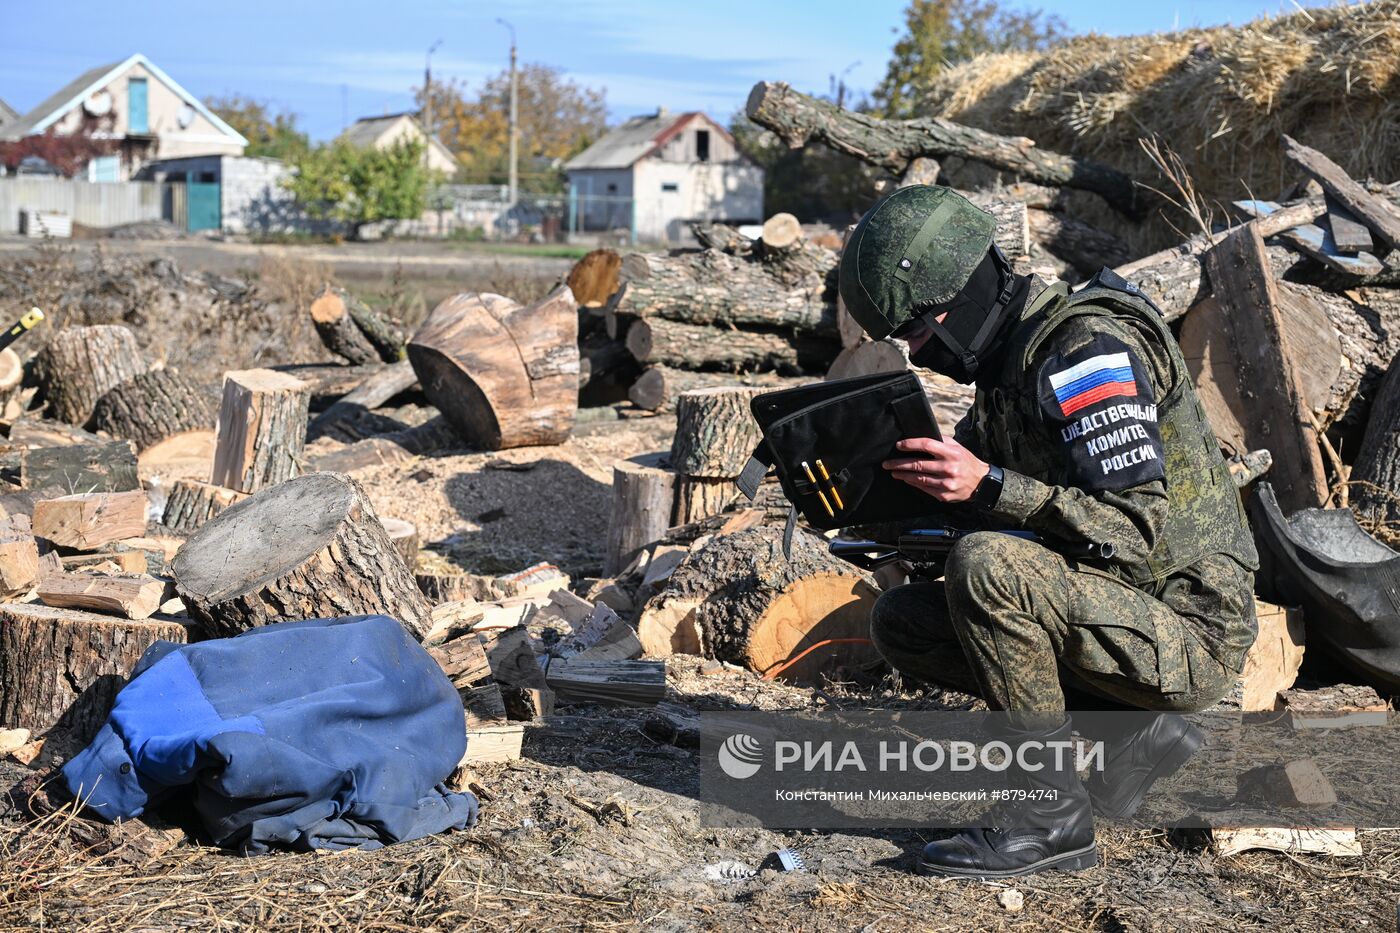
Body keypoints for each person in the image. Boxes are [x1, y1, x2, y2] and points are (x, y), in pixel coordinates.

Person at [837, 185, 1259, 878]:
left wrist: (991, 487)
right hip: (1120, 610)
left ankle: (1049, 817)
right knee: (905, 621)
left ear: (954, 302)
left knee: (988, 568)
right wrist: (868, 502)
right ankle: (1131, 736)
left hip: (1188, 627)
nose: (915, 354)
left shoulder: (1086, 348)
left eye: (915, 334)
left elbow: (1130, 529)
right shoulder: (1007, 367)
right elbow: (979, 502)